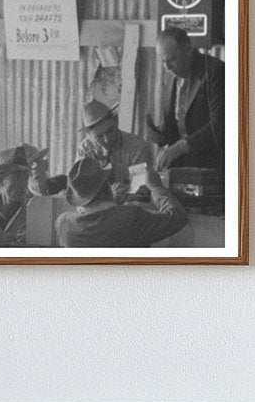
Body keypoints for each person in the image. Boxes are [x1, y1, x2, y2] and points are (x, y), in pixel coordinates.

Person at [56, 158, 188, 248]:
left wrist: (111, 204)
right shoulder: (130, 217)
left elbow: (96, 223)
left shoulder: (63, 223)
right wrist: (156, 187)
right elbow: (178, 218)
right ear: (107, 186)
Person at [148, 26, 225, 170]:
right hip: (182, 166)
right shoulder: (171, 75)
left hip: (213, 166)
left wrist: (182, 146)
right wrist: (159, 133)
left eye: (172, 60)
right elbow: (178, 121)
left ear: (188, 49)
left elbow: (220, 124)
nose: (167, 67)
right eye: (163, 62)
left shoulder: (215, 72)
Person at [76, 99, 153, 196]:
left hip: (131, 207)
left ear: (116, 120)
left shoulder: (138, 148)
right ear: (88, 134)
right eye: (99, 137)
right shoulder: (85, 149)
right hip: (99, 207)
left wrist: (125, 191)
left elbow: (142, 190)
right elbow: (81, 189)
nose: (107, 139)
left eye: (110, 131)